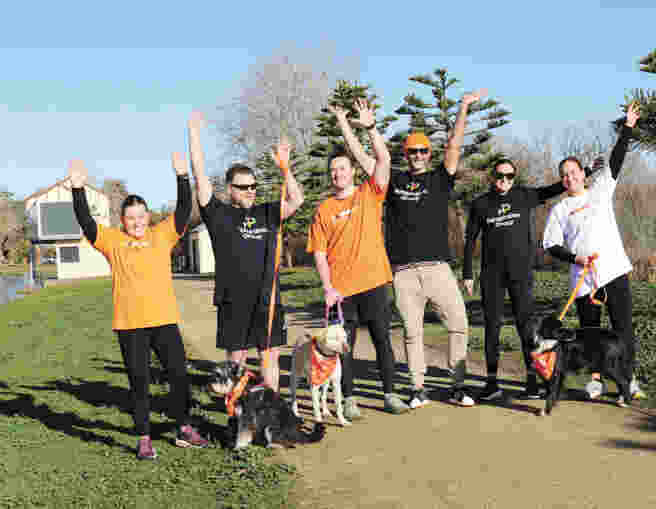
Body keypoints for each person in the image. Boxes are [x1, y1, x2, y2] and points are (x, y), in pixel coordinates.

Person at [69, 155, 209, 460]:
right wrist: (77, 189)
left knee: (178, 376)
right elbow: (86, 221)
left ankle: (184, 428)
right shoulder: (112, 241)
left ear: (148, 216)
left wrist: (182, 176)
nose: (137, 222)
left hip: (164, 322)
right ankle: (144, 438)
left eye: (141, 216)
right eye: (131, 218)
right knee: (139, 382)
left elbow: (185, 209)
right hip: (130, 324)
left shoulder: (162, 235)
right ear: (123, 220)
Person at [462, 156, 601, 401]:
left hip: (520, 273)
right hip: (491, 275)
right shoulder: (481, 204)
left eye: (509, 176)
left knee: (526, 329)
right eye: (499, 176)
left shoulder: (524, 196)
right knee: (492, 328)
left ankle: (532, 381)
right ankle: (492, 382)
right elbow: (470, 240)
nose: (504, 181)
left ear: (514, 178)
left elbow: (555, 188)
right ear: (492, 178)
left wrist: (586, 171)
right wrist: (467, 274)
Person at [307, 99, 410, 419]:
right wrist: (327, 287)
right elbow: (320, 253)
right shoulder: (323, 210)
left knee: (383, 340)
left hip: (375, 281)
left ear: (353, 171)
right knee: (344, 346)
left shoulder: (370, 193)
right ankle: (348, 399)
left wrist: (368, 128)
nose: (337, 173)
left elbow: (383, 158)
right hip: (342, 290)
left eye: (342, 168)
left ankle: (390, 394)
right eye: (333, 170)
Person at [187, 112, 304, 392]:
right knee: (237, 359)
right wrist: (194, 134)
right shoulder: (219, 215)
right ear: (230, 189)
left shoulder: (267, 212)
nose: (251, 191)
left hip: (267, 298)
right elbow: (201, 179)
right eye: (244, 187)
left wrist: (285, 168)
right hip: (233, 300)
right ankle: (237, 410)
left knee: (270, 355)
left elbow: (296, 199)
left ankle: (270, 411)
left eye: (254, 186)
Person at [385, 90, 487, 409]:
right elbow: (366, 160)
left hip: (438, 269)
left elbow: (454, 145)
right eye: (412, 151)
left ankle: (457, 386)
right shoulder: (394, 181)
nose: (418, 156)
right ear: (406, 154)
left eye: (423, 151)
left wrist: (463, 108)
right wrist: (356, 126)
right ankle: (418, 389)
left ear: (430, 154)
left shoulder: (441, 179)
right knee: (412, 334)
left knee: (459, 324)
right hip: (403, 273)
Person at [542, 103, 646, 400]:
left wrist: (627, 128)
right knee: (590, 332)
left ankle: (628, 379)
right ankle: (596, 380)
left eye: (573, 172)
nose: (569, 177)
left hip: (613, 271)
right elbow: (551, 244)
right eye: (564, 175)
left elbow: (617, 159)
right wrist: (575, 258)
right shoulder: (561, 208)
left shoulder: (600, 190)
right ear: (562, 180)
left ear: (582, 174)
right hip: (584, 280)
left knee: (622, 329)